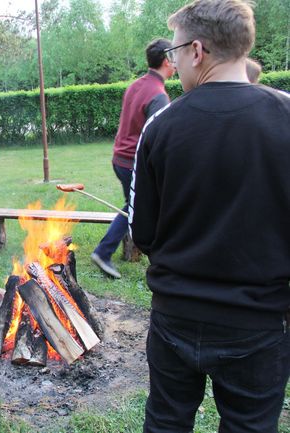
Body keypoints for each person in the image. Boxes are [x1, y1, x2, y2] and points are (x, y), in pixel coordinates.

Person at [129, 1, 290, 431]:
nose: (175, 61)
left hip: (175, 316)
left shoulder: (162, 126)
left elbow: (141, 230)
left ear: (197, 51)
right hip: (258, 321)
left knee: (166, 422)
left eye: (177, 51)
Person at [90, 38, 176, 279]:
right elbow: (157, 140)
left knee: (135, 205)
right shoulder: (158, 95)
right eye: (175, 58)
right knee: (138, 207)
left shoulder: (136, 85)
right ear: (166, 60)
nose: (177, 64)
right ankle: (104, 252)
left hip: (119, 158)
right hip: (133, 162)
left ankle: (118, 251)